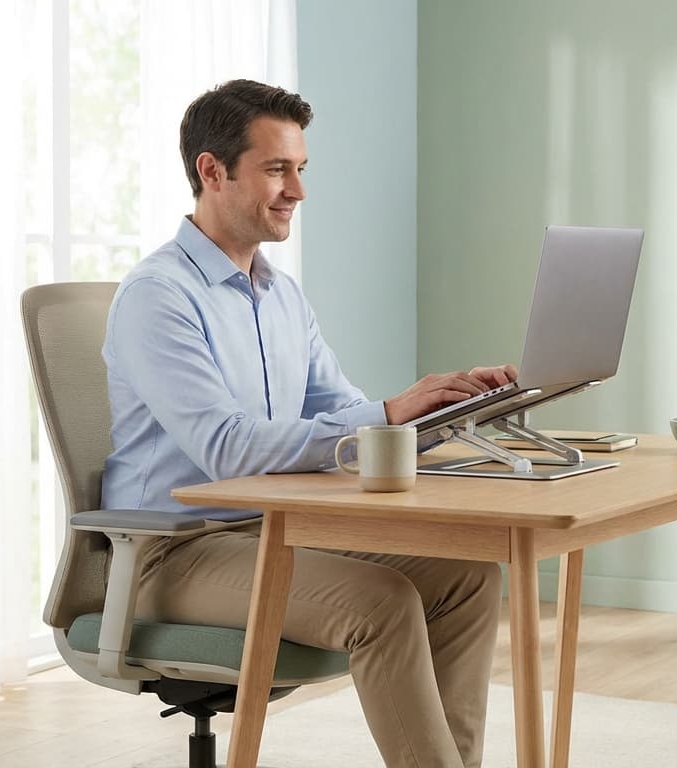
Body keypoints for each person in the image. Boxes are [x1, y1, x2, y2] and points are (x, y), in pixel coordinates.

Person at [102, 78, 515, 768]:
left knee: (466, 573)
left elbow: (341, 417)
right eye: (276, 169)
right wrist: (387, 415)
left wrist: (445, 412)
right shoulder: (158, 297)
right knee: (379, 602)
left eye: (300, 169)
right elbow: (227, 448)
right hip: (169, 554)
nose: (297, 189)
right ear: (212, 171)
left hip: (269, 535)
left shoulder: (281, 295)